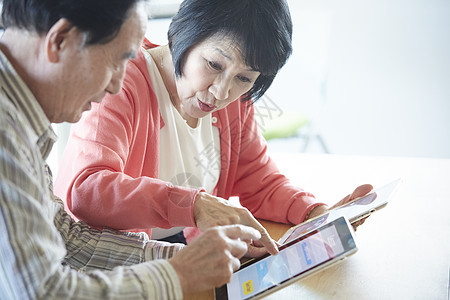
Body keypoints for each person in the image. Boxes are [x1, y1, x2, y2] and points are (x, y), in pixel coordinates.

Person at [55, 0, 372, 251]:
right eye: (213, 65)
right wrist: (194, 205)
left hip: (183, 256)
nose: (222, 92)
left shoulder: (233, 104)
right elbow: (87, 190)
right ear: (182, 34)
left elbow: (260, 181)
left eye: (244, 78)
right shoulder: (122, 82)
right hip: (112, 265)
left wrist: (315, 215)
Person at [0, 0, 265, 298]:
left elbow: (67, 238)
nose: (115, 85)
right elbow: (43, 292)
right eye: (115, 62)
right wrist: (179, 274)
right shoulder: (5, 135)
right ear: (59, 41)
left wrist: (186, 260)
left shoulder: (20, 121)